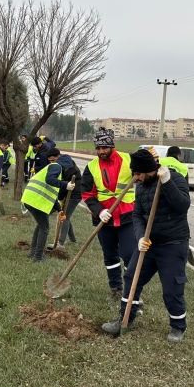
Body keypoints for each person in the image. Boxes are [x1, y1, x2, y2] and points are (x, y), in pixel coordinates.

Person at [102, 149, 191, 343]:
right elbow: (137, 215)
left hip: (173, 243)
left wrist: (167, 182)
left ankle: (178, 326)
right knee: (132, 276)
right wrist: (141, 236)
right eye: (133, 173)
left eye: (138, 174)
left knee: (171, 287)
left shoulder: (174, 179)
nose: (135, 178)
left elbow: (182, 205)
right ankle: (125, 318)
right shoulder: (141, 186)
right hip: (149, 244)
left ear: (150, 170)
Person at [81, 127, 136, 301]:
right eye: (98, 148)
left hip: (127, 215)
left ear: (111, 145)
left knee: (129, 254)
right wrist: (99, 211)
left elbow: (146, 173)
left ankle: (131, 290)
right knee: (110, 255)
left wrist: (153, 162)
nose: (101, 151)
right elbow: (87, 194)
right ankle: (116, 289)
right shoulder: (91, 167)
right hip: (104, 219)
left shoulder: (128, 160)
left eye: (104, 148)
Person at [21, 147, 74, 262]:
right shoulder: (57, 167)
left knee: (40, 225)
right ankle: (38, 257)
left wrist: (59, 210)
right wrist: (65, 185)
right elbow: (49, 180)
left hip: (30, 198)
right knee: (44, 228)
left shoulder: (52, 168)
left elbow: (52, 193)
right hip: (35, 200)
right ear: (66, 167)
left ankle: (33, 252)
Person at [47, 151, 81, 249]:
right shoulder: (66, 162)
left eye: (53, 160)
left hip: (75, 195)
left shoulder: (63, 167)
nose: (51, 163)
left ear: (58, 157)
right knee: (66, 215)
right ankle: (73, 240)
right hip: (71, 193)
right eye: (50, 161)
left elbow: (62, 186)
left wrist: (60, 199)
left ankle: (60, 243)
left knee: (64, 216)